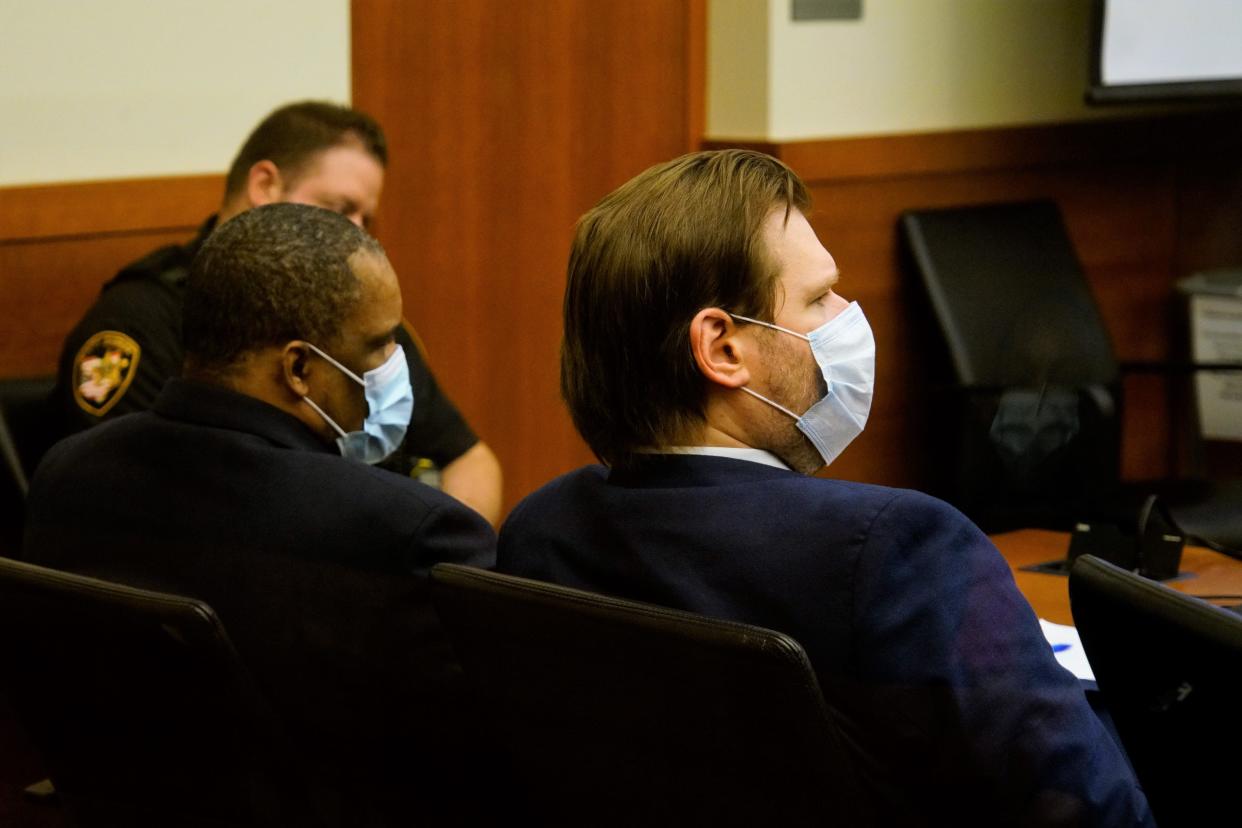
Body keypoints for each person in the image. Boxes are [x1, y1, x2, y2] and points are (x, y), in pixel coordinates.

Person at [496, 150, 1154, 826]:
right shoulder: (901, 550)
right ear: (722, 349)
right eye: (819, 299)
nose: (848, 315)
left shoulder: (542, 531)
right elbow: (1093, 810)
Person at [26, 204, 500, 825]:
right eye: (380, 343)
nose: (393, 365)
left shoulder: (63, 476)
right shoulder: (406, 533)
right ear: (299, 368)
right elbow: (492, 769)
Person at [50, 100, 502, 524]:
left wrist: (434, 555)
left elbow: (470, 459)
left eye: (367, 218)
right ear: (265, 186)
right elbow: (147, 502)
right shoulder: (143, 321)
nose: (356, 233)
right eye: (339, 208)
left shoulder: (363, 317)